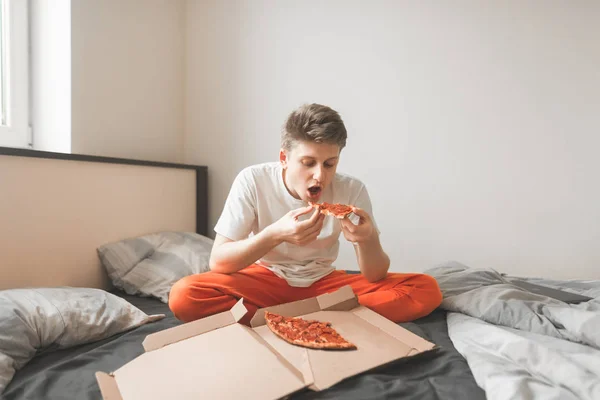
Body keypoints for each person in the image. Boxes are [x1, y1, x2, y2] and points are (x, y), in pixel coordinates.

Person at [169, 103, 442, 325]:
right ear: (284, 158)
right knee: (184, 296)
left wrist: (366, 239)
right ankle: (323, 318)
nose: (320, 175)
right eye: (308, 163)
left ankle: (281, 318)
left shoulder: (352, 189)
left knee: (425, 289)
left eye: (330, 164)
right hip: (265, 279)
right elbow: (219, 262)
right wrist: (274, 235)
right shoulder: (253, 179)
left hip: (322, 283)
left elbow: (374, 275)